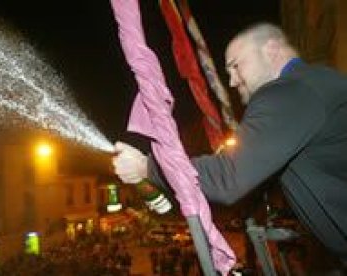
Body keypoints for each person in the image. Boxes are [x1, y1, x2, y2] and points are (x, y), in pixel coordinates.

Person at [112, 22, 347, 271]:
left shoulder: (290, 92)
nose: (232, 81)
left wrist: (148, 167)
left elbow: (229, 177)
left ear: (271, 50)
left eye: (235, 66)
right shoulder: (312, 85)